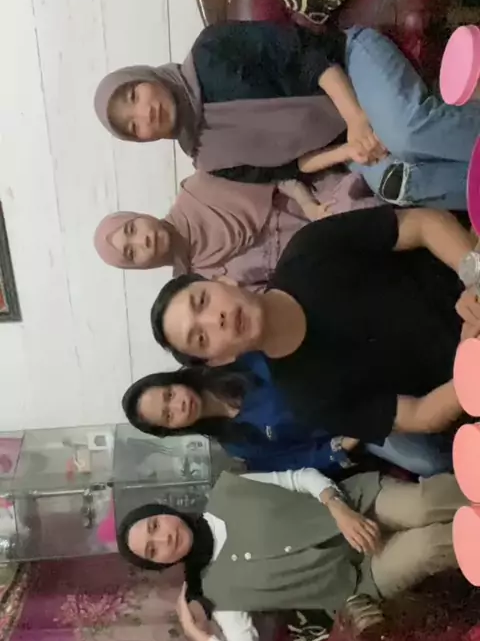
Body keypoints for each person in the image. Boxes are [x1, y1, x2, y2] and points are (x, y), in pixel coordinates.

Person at [150, 204, 480, 442]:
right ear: (220, 360)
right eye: (201, 337)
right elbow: (420, 415)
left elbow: (421, 224)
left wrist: (474, 280)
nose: (216, 319)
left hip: (467, 272)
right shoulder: (307, 401)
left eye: (203, 301)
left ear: (224, 281)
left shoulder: (309, 249)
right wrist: (471, 363)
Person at [116, 466, 466, 641]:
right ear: (161, 564)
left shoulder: (228, 490)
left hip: (358, 505)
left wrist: (338, 508)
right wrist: (198, 635)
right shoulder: (218, 596)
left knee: (422, 505)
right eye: (153, 550)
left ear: (163, 512)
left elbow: (299, 478)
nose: (164, 539)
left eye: (155, 525)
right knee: (426, 547)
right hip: (362, 576)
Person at [94, 21, 480, 208]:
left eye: (134, 95)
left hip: (349, 64)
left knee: (405, 134)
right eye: (134, 126)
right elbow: (295, 167)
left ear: (144, 76)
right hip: (346, 139)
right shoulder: (208, 159)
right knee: (396, 184)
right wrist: (350, 150)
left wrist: (357, 120)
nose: (145, 114)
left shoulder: (211, 49)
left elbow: (306, 57)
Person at [122, 356, 453, 477]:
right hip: (357, 426)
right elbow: (300, 460)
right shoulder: (238, 444)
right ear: (173, 429)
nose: (178, 406)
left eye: (169, 395)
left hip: (352, 377)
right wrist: (347, 441)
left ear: (173, 381)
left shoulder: (232, 363)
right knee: (428, 462)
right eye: (168, 415)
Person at [93, 170, 377, 292]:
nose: (143, 240)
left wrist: (310, 207)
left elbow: (276, 175)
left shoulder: (201, 187)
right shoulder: (194, 288)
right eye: (132, 253)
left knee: (363, 216)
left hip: (322, 206)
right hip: (323, 273)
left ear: (139, 215)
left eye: (132, 228)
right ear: (140, 267)